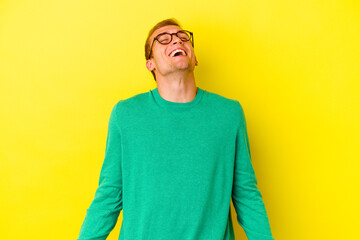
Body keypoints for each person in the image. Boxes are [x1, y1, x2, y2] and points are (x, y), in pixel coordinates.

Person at [77, 18, 274, 240]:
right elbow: (109, 195)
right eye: (163, 39)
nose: (176, 41)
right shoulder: (126, 115)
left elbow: (246, 196)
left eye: (183, 37)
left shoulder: (229, 114)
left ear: (195, 58)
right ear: (149, 63)